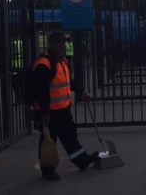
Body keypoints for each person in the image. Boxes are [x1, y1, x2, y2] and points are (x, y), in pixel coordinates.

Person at [33, 32, 99, 181]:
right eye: (59, 42)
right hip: (49, 112)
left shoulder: (62, 62)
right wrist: (44, 112)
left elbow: (69, 81)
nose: (62, 45)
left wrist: (82, 91)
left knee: (70, 136)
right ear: (51, 43)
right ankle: (47, 169)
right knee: (49, 140)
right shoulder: (44, 64)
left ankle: (82, 161)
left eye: (63, 42)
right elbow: (41, 90)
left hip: (63, 109)